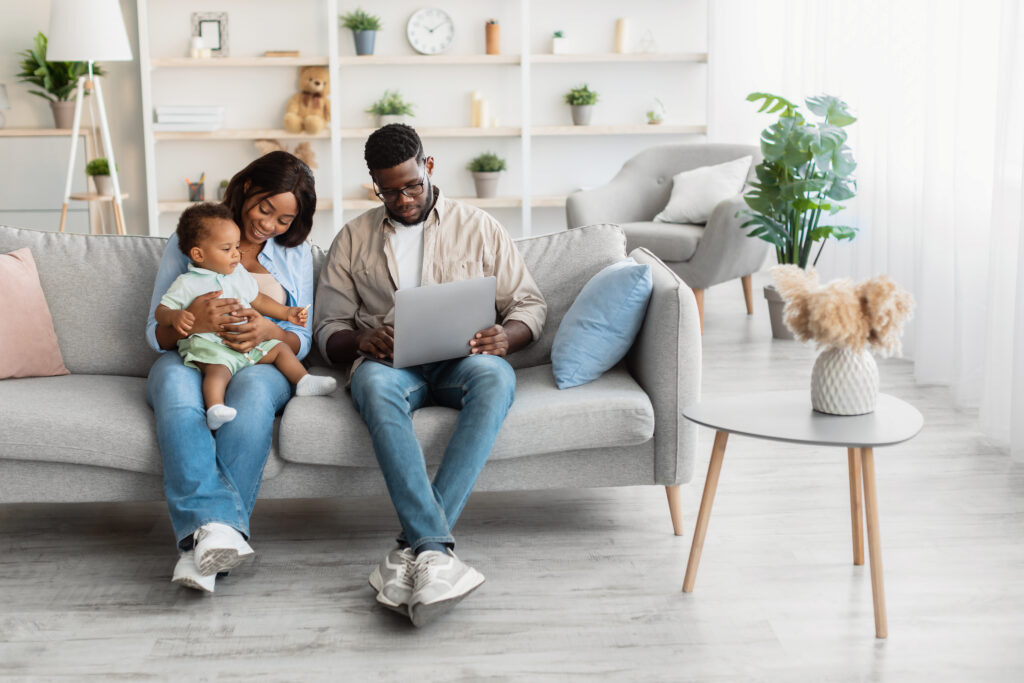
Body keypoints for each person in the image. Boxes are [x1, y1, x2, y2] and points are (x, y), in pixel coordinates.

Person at [315, 124, 547, 627]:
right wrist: (360, 341)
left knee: (497, 377)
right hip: (392, 368)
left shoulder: (479, 226)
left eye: (411, 185)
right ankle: (436, 553)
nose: (402, 199)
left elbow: (529, 303)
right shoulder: (353, 238)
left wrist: (508, 336)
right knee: (372, 383)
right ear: (374, 184)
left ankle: (416, 548)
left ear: (429, 167)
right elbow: (327, 329)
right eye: (388, 190)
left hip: (463, 360)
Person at [146, 151, 317, 594]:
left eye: (284, 218)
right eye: (265, 208)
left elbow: (305, 335)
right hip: (195, 352)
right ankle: (220, 537)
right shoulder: (197, 237)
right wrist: (194, 323)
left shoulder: (296, 254)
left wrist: (269, 327)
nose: (269, 224)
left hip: (260, 355)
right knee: (172, 384)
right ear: (246, 190)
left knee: (254, 398)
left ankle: (201, 545)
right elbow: (156, 331)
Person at [156, 202, 336, 432]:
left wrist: (286, 313)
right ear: (198, 254)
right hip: (212, 347)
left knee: (280, 348)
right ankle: (215, 408)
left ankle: (303, 381)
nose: (236, 254)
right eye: (226, 249)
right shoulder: (187, 283)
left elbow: (258, 300)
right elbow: (161, 311)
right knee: (218, 371)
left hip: (246, 344)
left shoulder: (237, 273)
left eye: (237, 246)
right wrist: (176, 316)